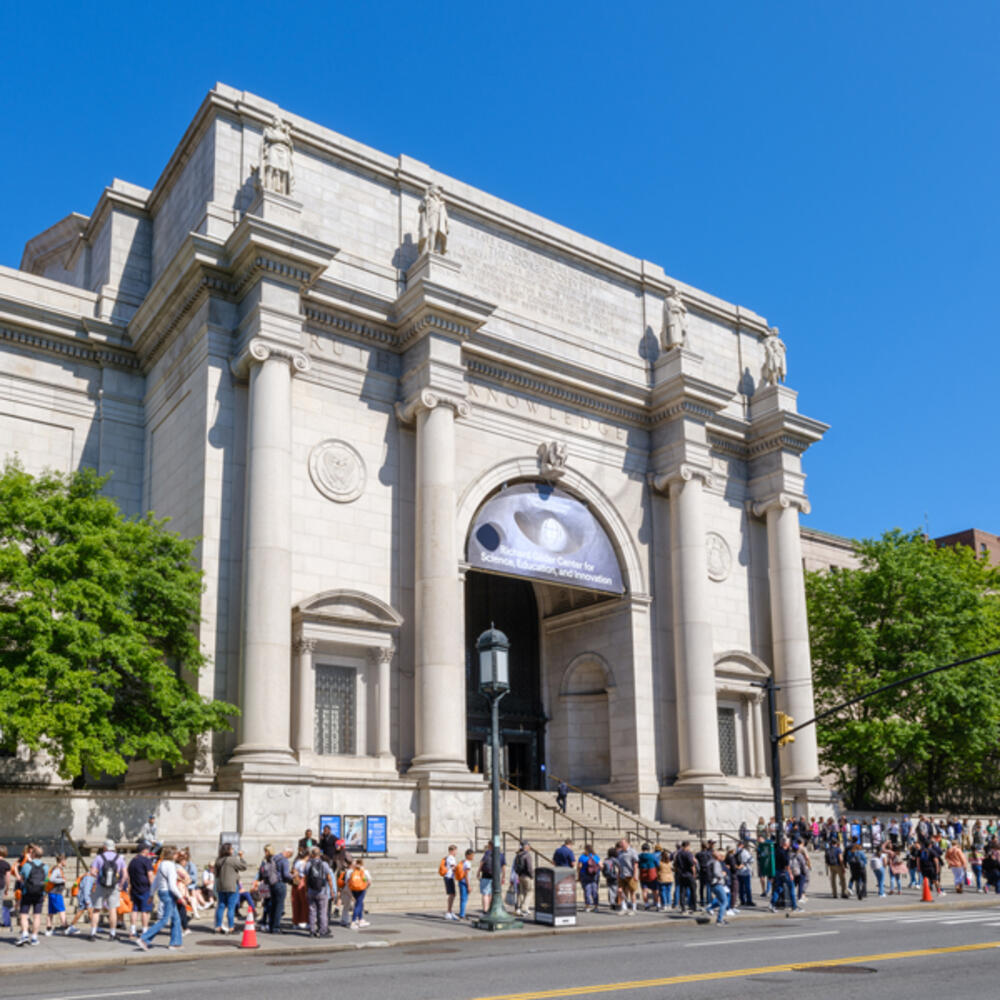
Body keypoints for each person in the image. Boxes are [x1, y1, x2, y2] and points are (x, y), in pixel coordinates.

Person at [137, 846, 182, 951]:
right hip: (168, 893)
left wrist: (152, 895)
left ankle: (175, 943)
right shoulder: (171, 866)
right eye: (176, 854)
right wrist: (181, 897)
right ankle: (144, 938)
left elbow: (156, 881)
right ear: (172, 855)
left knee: (176, 918)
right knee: (165, 919)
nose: (177, 856)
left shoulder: (161, 864)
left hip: (162, 892)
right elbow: (172, 885)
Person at [90, 839, 127, 940]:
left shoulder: (99, 857)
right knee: (112, 910)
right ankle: (112, 933)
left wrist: (98, 876)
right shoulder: (119, 858)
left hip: (100, 885)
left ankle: (93, 933)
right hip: (114, 886)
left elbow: (92, 872)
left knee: (96, 909)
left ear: (104, 847)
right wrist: (121, 885)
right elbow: (125, 874)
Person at [15, 845, 47, 945]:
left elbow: (21, 878)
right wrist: (45, 893)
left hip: (27, 892)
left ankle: (25, 933)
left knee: (24, 914)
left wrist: (16, 870)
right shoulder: (45, 866)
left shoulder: (27, 865)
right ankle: (34, 937)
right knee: (37, 916)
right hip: (39, 893)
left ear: (33, 854)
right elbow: (46, 881)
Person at [214, 843, 246, 933]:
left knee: (221, 906)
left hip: (221, 886)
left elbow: (216, 874)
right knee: (231, 908)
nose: (233, 850)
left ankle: (218, 926)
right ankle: (231, 927)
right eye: (231, 849)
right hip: (231, 886)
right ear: (228, 850)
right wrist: (241, 857)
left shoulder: (218, 860)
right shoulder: (232, 860)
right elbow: (244, 867)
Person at [304, 846, 334, 937]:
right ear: (319, 855)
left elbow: (305, 878)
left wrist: (306, 890)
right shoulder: (324, 864)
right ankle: (322, 931)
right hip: (322, 891)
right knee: (322, 912)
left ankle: (312, 931)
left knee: (312, 911)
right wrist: (332, 891)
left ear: (312, 855)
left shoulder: (308, 864)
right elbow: (329, 878)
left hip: (311, 891)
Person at [127, 843, 155, 938]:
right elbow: (150, 875)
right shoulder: (146, 861)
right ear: (144, 850)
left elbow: (128, 875)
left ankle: (132, 931)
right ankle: (145, 931)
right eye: (148, 849)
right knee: (145, 911)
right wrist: (154, 887)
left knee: (134, 910)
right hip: (145, 888)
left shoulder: (132, 861)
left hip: (135, 888)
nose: (149, 851)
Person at [769, 838, 801, 913]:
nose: (790, 844)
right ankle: (794, 906)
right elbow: (787, 866)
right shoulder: (784, 853)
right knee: (791, 888)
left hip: (777, 871)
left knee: (779, 888)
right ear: (786, 844)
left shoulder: (778, 850)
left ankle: (772, 903)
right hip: (784, 872)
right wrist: (790, 874)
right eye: (789, 842)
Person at [703, 849, 731, 925]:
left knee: (721, 901)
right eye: (719, 855)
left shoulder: (709, 862)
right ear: (717, 856)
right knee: (725, 902)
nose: (720, 856)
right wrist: (723, 874)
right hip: (717, 883)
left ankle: (710, 909)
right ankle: (719, 920)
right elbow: (716, 873)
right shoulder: (716, 862)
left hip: (712, 884)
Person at [332, 839, 355, 928]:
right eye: (335, 845)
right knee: (340, 891)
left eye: (338, 845)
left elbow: (351, 862)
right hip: (340, 874)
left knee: (348, 892)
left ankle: (352, 906)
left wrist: (350, 872)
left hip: (346, 873)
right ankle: (337, 908)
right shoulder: (335, 854)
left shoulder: (345, 853)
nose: (336, 847)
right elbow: (334, 866)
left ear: (342, 845)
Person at [44, 853, 69, 935]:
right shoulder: (57, 869)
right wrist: (62, 880)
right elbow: (51, 879)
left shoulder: (55, 868)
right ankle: (65, 927)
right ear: (62, 861)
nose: (66, 862)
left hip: (52, 892)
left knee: (51, 912)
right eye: (65, 860)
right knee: (62, 910)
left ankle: (48, 929)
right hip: (56, 893)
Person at [478, 844, 505, 913]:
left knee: (485, 894)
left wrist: (478, 872)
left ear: (490, 846)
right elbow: (503, 867)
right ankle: (490, 909)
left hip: (486, 875)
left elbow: (482, 862)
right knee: (491, 893)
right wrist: (503, 877)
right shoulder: (501, 855)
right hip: (496, 876)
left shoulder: (487, 853)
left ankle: (485, 910)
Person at [616, 838, 640, 915]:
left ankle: (634, 909)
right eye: (620, 844)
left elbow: (636, 864)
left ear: (627, 843)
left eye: (622, 844)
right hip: (622, 874)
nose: (621, 845)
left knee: (632, 892)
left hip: (630, 874)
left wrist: (635, 875)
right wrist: (618, 874)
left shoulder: (632, 852)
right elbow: (619, 864)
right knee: (620, 891)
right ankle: (624, 908)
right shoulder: (620, 852)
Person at [673, 841, 698, 913]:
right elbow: (692, 865)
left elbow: (675, 864)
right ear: (687, 846)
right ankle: (693, 906)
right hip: (689, 874)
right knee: (693, 890)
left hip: (681, 874)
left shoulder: (678, 854)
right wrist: (694, 874)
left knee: (682, 891)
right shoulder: (688, 854)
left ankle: (683, 907)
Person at [347, 858, 371, 929]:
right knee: (358, 903)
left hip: (353, 889)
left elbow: (348, 881)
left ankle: (360, 919)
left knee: (358, 903)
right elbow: (368, 880)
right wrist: (366, 885)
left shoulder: (351, 871)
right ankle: (353, 921)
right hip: (361, 889)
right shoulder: (364, 871)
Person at [578, 843, 601, 912]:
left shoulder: (582, 856)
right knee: (595, 890)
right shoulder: (595, 856)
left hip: (585, 874)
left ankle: (587, 906)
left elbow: (579, 866)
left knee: (587, 890)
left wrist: (579, 874)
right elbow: (601, 865)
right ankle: (596, 906)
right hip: (594, 875)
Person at [513, 842, 534, 916]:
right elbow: (529, 867)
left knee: (521, 892)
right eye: (529, 846)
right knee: (530, 891)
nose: (530, 847)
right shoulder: (527, 855)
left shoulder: (518, 855)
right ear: (526, 847)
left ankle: (520, 908)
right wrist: (532, 875)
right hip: (527, 876)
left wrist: (518, 873)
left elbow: (515, 866)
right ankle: (524, 908)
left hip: (520, 875)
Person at [291, 847, 309, 928]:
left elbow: (293, 871)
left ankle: (296, 921)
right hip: (303, 882)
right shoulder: (305, 863)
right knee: (304, 903)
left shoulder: (296, 862)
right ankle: (304, 920)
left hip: (296, 883)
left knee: (296, 902)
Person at [440, 844, 459, 920]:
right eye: (455, 851)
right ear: (452, 851)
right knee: (452, 894)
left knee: (453, 894)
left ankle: (450, 911)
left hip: (449, 877)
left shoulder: (449, 858)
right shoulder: (451, 858)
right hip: (449, 877)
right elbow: (453, 868)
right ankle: (448, 912)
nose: (456, 852)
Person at [638, 843, 659, 910]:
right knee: (655, 891)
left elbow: (637, 864)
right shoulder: (652, 856)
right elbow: (657, 864)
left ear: (642, 849)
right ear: (648, 849)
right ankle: (658, 904)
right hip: (652, 873)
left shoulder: (639, 856)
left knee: (644, 891)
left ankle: (646, 904)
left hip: (643, 874)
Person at [735, 840, 755, 907]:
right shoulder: (745, 852)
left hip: (738, 871)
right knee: (747, 887)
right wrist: (745, 863)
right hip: (745, 871)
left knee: (740, 887)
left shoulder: (735, 851)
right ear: (742, 845)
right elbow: (752, 860)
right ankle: (749, 900)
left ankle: (742, 900)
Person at [601, 846, 620, 910]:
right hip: (615, 876)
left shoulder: (606, 860)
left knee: (610, 889)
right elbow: (620, 866)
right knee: (616, 889)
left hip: (608, 876)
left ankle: (612, 902)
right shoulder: (615, 860)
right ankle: (616, 902)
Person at [457, 849, 474, 919]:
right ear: (468, 855)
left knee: (462, 898)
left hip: (461, 881)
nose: (473, 857)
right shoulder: (468, 863)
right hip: (464, 882)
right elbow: (466, 874)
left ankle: (462, 913)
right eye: (472, 855)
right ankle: (462, 914)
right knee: (464, 899)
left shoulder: (463, 862)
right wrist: (468, 885)